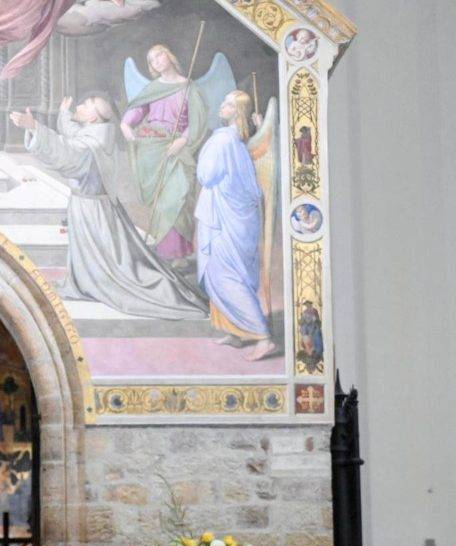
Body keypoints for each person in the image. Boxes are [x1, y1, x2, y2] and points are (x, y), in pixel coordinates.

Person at [14, 96, 209, 319]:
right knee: (104, 257)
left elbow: (67, 153)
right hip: (95, 206)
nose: (79, 105)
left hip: (91, 210)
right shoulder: (98, 133)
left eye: (85, 105)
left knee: (110, 265)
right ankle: (90, 280)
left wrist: (34, 127)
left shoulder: (91, 145)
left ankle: (97, 283)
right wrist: (65, 113)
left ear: (93, 117)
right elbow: (72, 135)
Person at [195, 91, 274, 360]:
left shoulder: (223, 141)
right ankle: (236, 330)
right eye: (224, 100)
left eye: (228, 103)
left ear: (237, 112)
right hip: (232, 217)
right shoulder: (238, 142)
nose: (222, 105)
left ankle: (262, 337)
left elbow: (206, 175)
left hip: (224, 219)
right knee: (228, 272)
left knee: (224, 274)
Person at [121, 44, 209, 263]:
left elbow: (198, 121)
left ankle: (179, 253)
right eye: (151, 60)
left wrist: (182, 140)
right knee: (162, 203)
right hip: (152, 149)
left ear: (169, 55)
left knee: (178, 198)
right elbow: (136, 112)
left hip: (178, 149)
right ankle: (166, 252)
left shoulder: (189, 87)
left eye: (159, 55)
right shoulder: (153, 88)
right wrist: (125, 126)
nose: (157, 61)